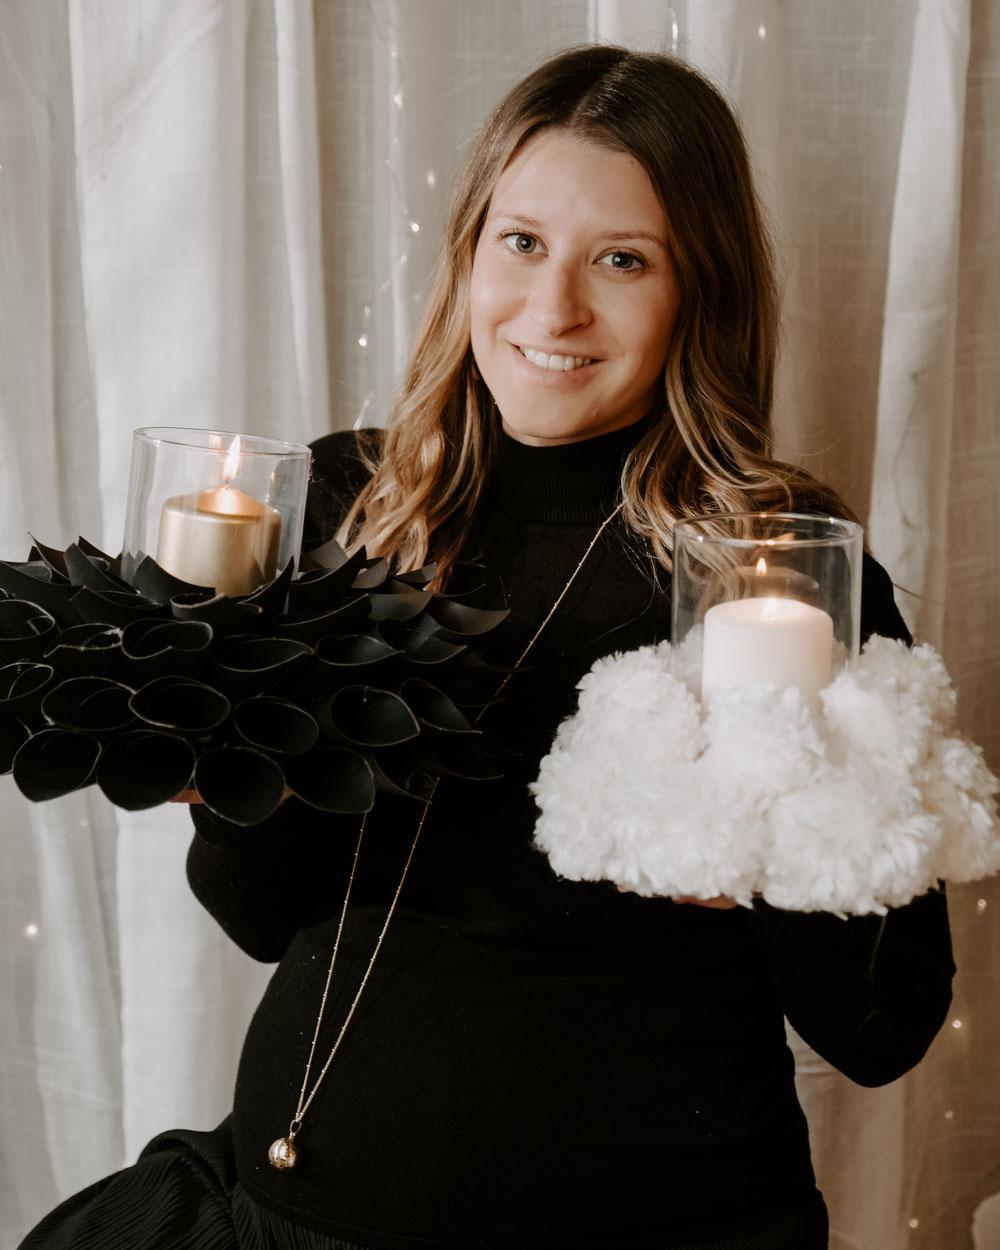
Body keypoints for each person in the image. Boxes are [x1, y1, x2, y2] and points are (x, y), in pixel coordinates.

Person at [20, 43, 954, 1250]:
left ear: (698, 291)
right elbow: (262, 912)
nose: (553, 308)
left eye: (621, 260)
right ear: (468, 254)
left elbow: (883, 1027)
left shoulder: (775, 575)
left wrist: (779, 828)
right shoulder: (353, 501)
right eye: (520, 243)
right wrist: (217, 744)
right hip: (301, 1210)